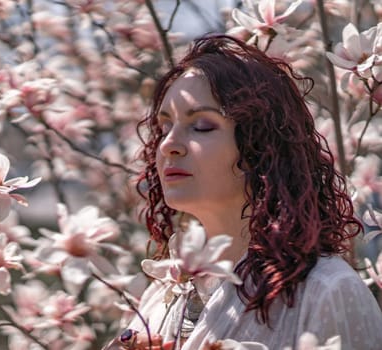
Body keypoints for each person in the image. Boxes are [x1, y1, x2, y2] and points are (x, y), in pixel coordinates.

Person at [104, 34, 382, 349]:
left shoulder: (326, 291)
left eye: (202, 126)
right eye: (165, 126)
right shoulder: (164, 294)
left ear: (260, 145)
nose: (168, 145)